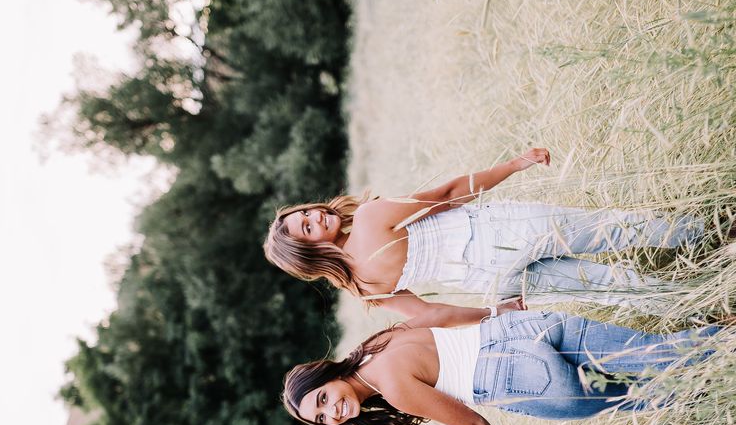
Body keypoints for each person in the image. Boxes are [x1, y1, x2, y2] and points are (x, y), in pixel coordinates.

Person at [263, 150, 703, 320]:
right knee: (610, 230)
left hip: (489, 283)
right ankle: (709, 231)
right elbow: (449, 194)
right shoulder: (374, 216)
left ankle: (699, 309)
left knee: (607, 288)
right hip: (498, 233)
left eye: (307, 212)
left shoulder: (364, 288)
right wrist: (511, 166)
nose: (316, 215)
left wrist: (496, 311)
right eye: (307, 227)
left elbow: (434, 316)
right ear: (309, 252)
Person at [282, 310, 722, 425]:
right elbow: (441, 315)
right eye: (323, 419)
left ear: (326, 376)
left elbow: (471, 423)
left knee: (637, 392)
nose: (333, 411)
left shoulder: (393, 388)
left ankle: (715, 377)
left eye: (322, 399)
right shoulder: (376, 344)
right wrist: (497, 311)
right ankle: (721, 349)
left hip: (523, 378)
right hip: (521, 329)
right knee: (650, 351)